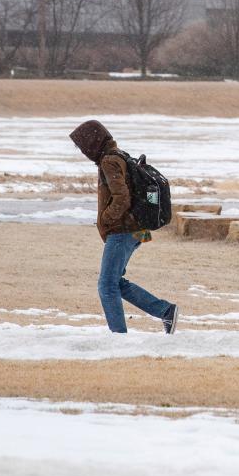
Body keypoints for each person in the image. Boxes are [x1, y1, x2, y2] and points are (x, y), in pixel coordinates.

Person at [69, 120, 179, 334]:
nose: (83, 151)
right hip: (137, 229)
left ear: (93, 141)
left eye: (83, 145)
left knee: (106, 286)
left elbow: (122, 197)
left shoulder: (109, 161)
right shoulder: (119, 155)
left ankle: (118, 336)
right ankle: (166, 312)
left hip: (123, 230)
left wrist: (107, 219)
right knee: (114, 282)